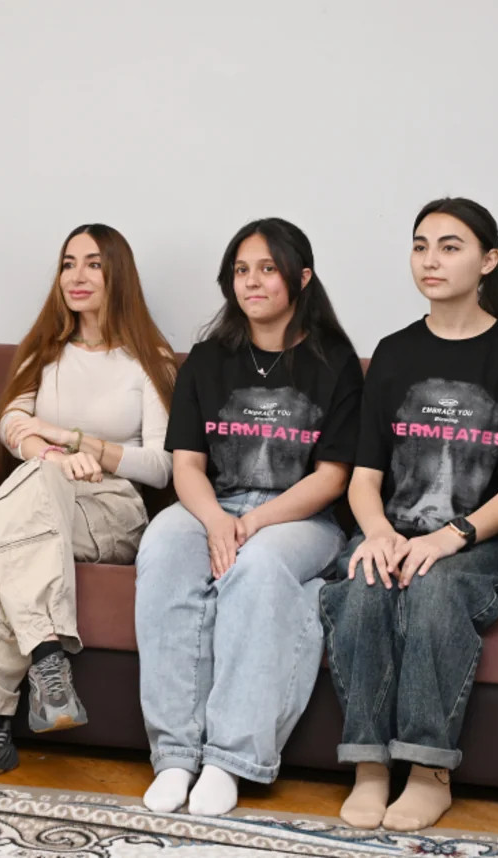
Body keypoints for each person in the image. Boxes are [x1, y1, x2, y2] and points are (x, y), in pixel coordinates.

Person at [319, 197, 498, 830]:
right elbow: (364, 478)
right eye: (420, 246)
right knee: (365, 584)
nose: (430, 260)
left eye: (450, 247)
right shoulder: (394, 353)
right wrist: (378, 534)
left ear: (488, 261)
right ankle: (369, 766)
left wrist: (450, 537)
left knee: (433, 589)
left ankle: (429, 771)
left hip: (480, 541)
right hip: (395, 529)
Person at [0, 224, 177, 785]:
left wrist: (79, 444)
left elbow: (161, 465)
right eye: (67, 263)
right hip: (43, 493)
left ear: (118, 275)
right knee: (5, 525)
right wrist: (53, 457)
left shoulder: (148, 359)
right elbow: (12, 423)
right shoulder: (45, 350)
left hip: (111, 508)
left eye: (93, 264)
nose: (76, 276)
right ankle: (44, 667)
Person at [135, 217, 362, 815]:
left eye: (267, 269)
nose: (252, 282)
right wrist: (216, 520)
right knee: (162, 545)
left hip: (303, 519)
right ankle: (175, 753)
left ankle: (230, 759)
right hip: (214, 504)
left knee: (257, 567)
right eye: (241, 270)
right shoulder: (208, 359)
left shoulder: (334, 361)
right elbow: (187, 465)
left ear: (301, 278)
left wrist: (254, 525)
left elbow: (332, 477)